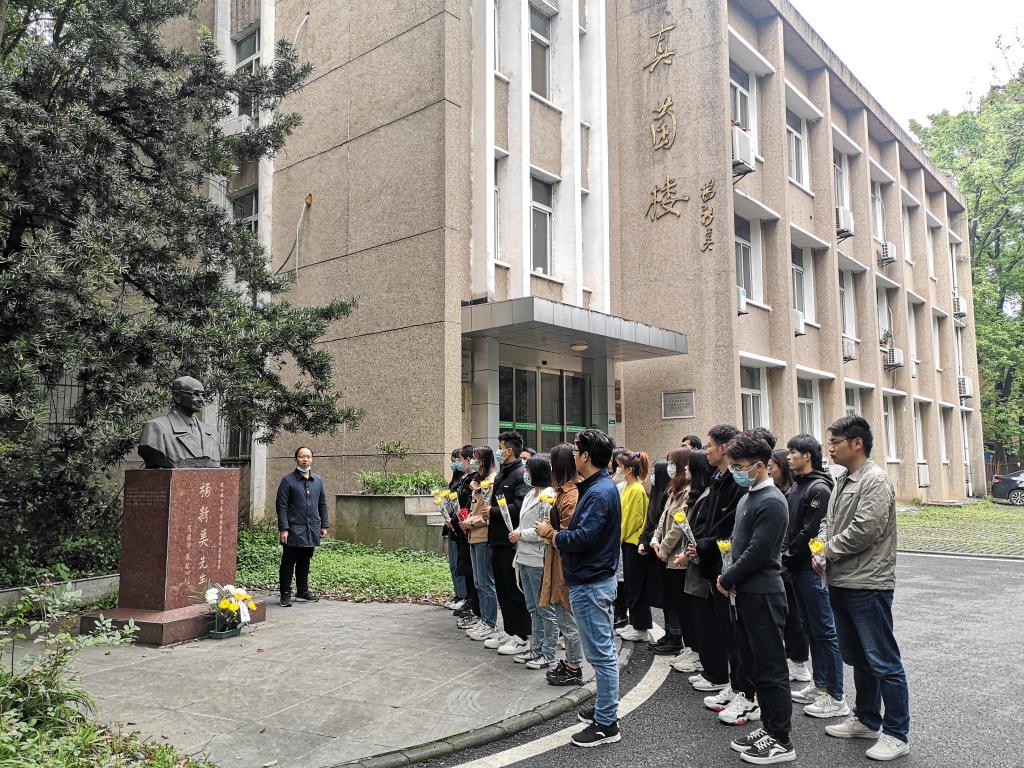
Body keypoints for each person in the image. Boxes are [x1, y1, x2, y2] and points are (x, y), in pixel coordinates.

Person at [817, 416, 910, 761]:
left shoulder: (875, 480)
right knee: (859, 658)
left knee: (883, 661)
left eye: (835, 442)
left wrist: (827, 550)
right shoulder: (843, 479)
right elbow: (829, 521)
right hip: (841, 579)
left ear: (857, 443)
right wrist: (820, 546)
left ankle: (897, 733)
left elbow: (864, 530)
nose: (830, 448)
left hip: (868, 583)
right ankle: (867, 719)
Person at [718, 432, 796, 765]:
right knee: (754, 664)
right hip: (745, 595)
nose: (735, 471)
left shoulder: (772, 501)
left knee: (771, 668)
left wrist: (727, 578)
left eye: (739, 466)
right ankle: (768, 727)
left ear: (759, 465)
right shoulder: (748, 496)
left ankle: (781, 739)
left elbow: (759, 553)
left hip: (763, 594)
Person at [554, 428, 622, 747]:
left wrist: (555, 536)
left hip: (592, 583)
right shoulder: (597, 486)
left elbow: (583, 537)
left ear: (586, 456)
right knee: (600, 651)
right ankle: (604, 708)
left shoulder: (598, 492)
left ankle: (607, 723)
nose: (572, 455)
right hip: (592, 580)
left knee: (601, 655)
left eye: (575, 450)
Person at [686, 424, 754, 722]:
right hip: (714, 565)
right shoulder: (718, 479)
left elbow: (730, 531)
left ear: (724, 448)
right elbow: (708, 522)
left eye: (710, 445)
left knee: (738, 636)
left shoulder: (741, 485)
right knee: (725, 631)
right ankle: (735, 685)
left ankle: (747, 694)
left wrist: (704, 545)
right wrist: (699, 546)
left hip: (730, 568)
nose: (707, 451)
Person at [783, 434, 847, 719]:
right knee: (810, 627)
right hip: (797, 569)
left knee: (825, 630)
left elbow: (809, 532)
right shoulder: (798, 486)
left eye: (793, 452)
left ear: (807, 456)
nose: (788, 457)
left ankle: (835, 695)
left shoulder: (819, 488)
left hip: (812, 569)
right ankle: (820, 685)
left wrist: (785, 557)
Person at [536, 443, 585, 687]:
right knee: (562, 613)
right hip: (557, 561)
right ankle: (571, 662)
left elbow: (567, 534)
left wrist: (546, 530)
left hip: (565, 564)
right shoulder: (562, 493)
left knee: (567, 617)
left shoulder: (572, 495)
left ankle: (574, 666)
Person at [486, 430, 533, 656]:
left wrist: (491, 512)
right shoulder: (502, 474)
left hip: (510, 542)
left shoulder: (520, 474)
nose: (499, 451)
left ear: (510, 450)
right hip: (497, 540)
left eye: (501, 447)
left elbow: (518, 507)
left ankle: (522, 635)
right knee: (502, 590)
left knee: (514, 591)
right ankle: (508, 630)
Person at [511, 453, 557, 669]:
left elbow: (543, 530)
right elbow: (526, 523)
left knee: (544, 609)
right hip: (524, 557)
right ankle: (536, 648)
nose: (525, 473)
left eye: (528, 469)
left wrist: (521, 534)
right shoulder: (531, 493)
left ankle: (548, 653)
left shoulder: (548, 495)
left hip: (538, 558)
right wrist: (519, 531)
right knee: (533, 607)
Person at [770, 447, 810, 682]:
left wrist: (785, 558)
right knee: (785, 616)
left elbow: (796, 532)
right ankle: (791, 657)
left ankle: (799, 663)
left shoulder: (790, 494)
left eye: (772, 467)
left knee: (794, 616)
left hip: (789, 565)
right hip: (781, 564)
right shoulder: (779, 492)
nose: (769, 471)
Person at [649, 449, 693, 657]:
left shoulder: (688, 492)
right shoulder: (673, 489)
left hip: (677, 556)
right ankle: (670, 635)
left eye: (673, 463)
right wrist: (655, 538)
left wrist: (664, 548)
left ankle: (677, 638)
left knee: (679, 603)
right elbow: (663, 518)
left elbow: (679, 525)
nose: (670, 467)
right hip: (665, 553)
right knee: (669, 599)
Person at [276, 447, 328, 607]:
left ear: (312, 459)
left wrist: (324, 525)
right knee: (288, 561)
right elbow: (281, 506)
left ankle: (302, 591)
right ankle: (285, 594)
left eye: (308, 456)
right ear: (296, 459)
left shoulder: (317, 481)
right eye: (301, 456)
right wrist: (283, 529)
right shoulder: (287, 481)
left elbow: (322, 504)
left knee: (305, 560)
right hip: (293, 529)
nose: (305, 459)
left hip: (311, 528)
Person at [616, 450, 653, 643]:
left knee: (636, 587)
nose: (618, 469)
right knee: (631, 585)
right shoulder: (631, 487)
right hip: (628, 542)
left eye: (620, 466)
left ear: (629, 469)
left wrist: (617, 538)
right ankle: (636, 624)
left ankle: (641, 628)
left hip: (633, 543)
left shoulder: (636, 489)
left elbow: (632, 520)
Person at [463, 446, 499, 641]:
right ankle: (483, 618)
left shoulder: (491, 482)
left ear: (483, 460)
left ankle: (490, 622)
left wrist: (471, 521)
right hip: (473, 535)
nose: (474, 462)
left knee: (486, 581)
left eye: (476, 459)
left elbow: (487, 514)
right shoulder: (478, 481)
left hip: (483, 535)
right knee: (478, 581)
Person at [638, 458, 672, 652]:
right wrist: (643, 541)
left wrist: (649, 542)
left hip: (663, 553)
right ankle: (668, 634)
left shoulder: (667, 497)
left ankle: (674, 636)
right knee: (663, 598)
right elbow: (649, 524)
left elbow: (661, 526)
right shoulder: (655, 496)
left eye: (654, 472)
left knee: (668, 598)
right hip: (653, 550)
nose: (651, 476)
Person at [452, 445, 480, 628]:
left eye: (460, 460)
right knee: (465, 567)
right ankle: (469, 601)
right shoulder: (465, 479)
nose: (458, 463)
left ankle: (475, 607)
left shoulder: (477, 481)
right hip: (462, 527)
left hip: (472, 529)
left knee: (474, 572)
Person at [444, 448, 468, 611]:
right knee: (453, 563)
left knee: (460, 563)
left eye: (458, 460)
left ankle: (463, 595)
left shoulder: (466, 481)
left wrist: (455, 519)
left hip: (460, 526)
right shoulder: (454, 481)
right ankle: (458, 594)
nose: (455, 463)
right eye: (453, 460)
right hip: (451, 526)